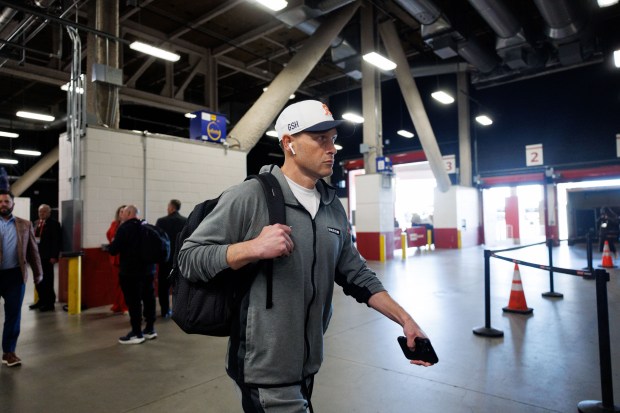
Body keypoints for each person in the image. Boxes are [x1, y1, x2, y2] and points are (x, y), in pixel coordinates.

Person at [178, 100, 432, 412]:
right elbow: (189, 258)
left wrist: (405, 320)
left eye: (333, 139)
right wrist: (251, 248)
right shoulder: (250, 196)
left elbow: (357, 275)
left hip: (307, 365)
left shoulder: (331, 205)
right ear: (289, 143)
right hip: (263, 369)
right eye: (320, 138)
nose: (332, 149)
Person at [0, 190, 43, 367]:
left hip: (15, 276)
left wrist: (38, 272)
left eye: (6, 202)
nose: (3, 204)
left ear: (13, 204)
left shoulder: (24, 225)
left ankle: (9, 352)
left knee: (13, 315)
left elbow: (33, 251)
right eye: (0, 201)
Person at [107, 205, 157, 344]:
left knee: (134, 302)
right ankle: (150, 329)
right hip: (149, 270)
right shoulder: (146, 225)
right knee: (149, 299)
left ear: (129, 213)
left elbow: (113, 249)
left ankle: (136, 333)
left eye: (124, 212)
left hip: (131, 272)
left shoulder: (124, 228)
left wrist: (112, 245)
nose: (121, 214)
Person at [155, 199, 187, 318]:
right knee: (179, 285)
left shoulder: (162, 221)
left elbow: (158, 240)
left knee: (163, 286)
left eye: (168, 206)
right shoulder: (185, 221)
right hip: (180, 259)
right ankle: (179, 311)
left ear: (172, 208)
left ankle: (165, 310)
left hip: (165, 259)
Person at [28, 204, 61, 312]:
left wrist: (54, 256)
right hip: (37, 257)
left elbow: (57, 241)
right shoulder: (36, 223)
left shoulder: (54, 224)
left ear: (49, 213)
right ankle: (41, 301)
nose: (41, 214)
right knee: (38, 280)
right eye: (40, 212)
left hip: (47, 257)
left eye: (44, 212)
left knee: (48, 280)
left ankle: (49, 303)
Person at [106, 205, 128, 314]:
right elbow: (109, 235)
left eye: (124, 212)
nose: (122, 213)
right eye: (120, 212)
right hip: (115, 258)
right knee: (116, 283)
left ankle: (124, 306)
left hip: (125, 259)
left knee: (125, 284)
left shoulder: (129, 225)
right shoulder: (114, 224)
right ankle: (117, 305)